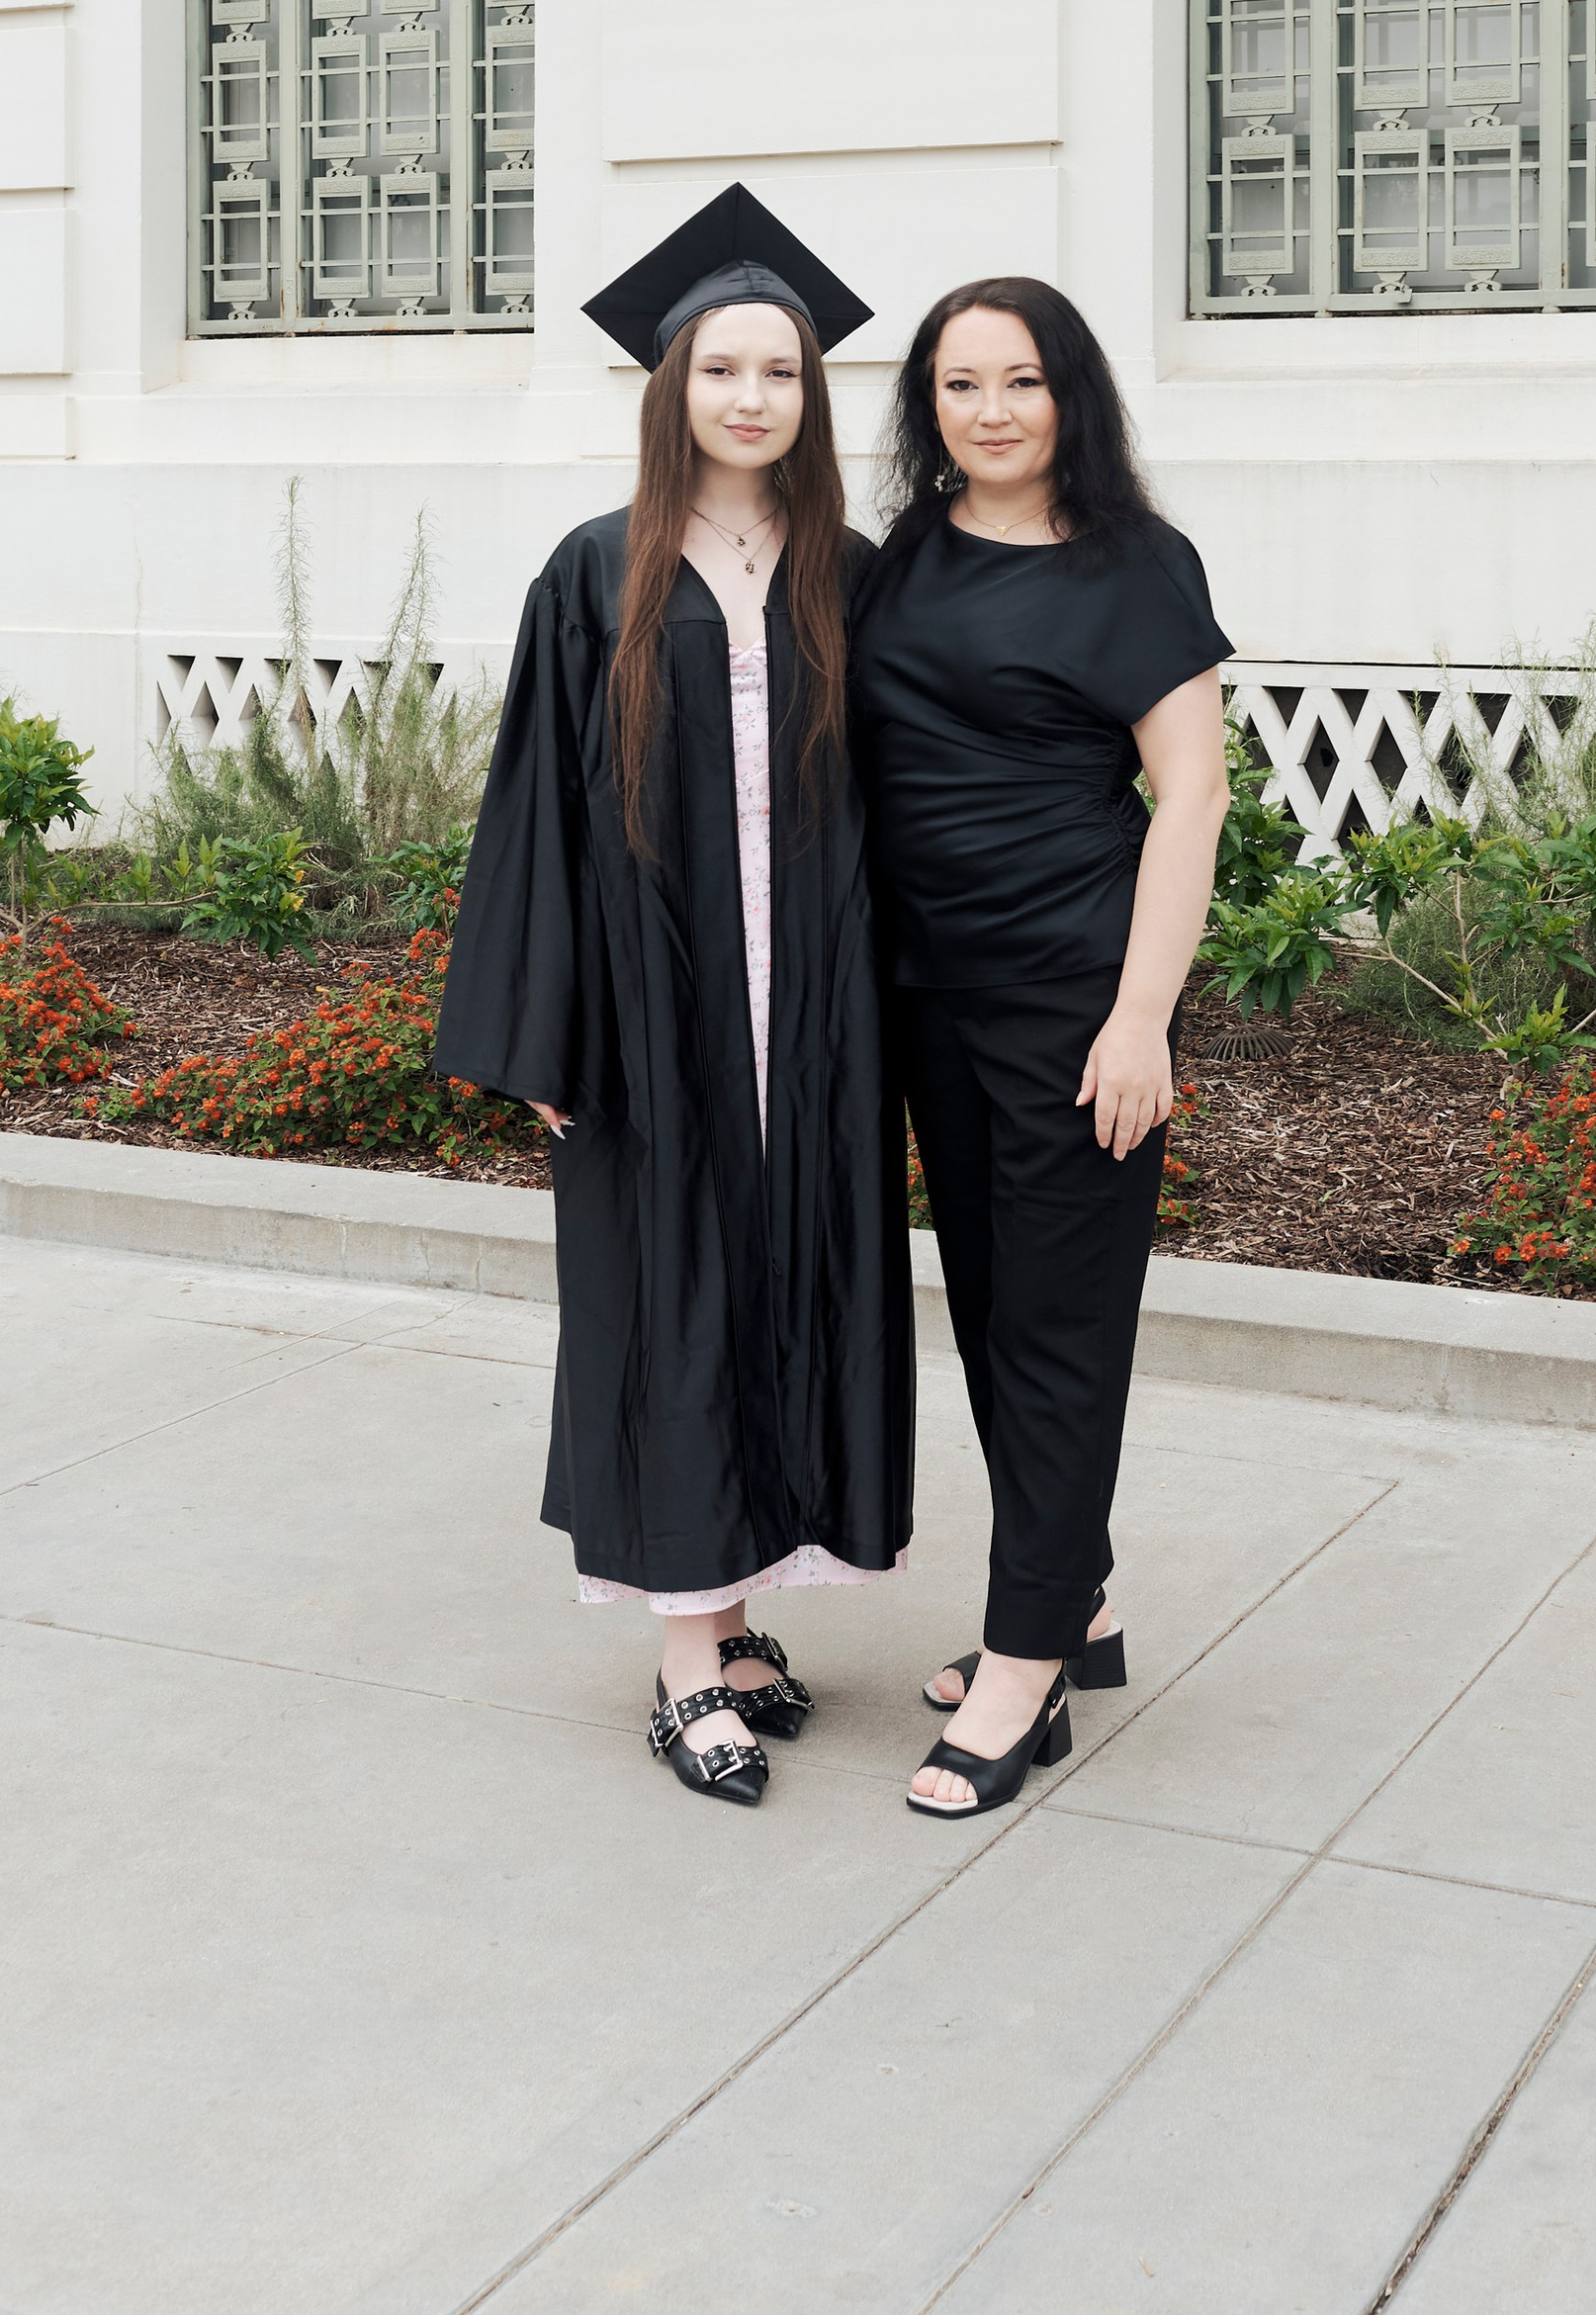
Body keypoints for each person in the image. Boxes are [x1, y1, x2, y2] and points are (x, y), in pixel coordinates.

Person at [434, 185, 914, 1812]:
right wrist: (549, 1033)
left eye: (779, 373)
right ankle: (684, 1663)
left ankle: (746, 1605)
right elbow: (536, 819)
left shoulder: (850, 568)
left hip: (823, 1024)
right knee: (672, 1301)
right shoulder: (595, 574)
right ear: (672, 386)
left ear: (810, 396)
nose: (752, 398)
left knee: (790, 1289)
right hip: (654, 1023)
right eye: (723, 370)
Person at [851, 277, 1231, 1821]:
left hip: (1079, 1002)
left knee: (1064, 1333)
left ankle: (1025, 1667)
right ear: (925, 405)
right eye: (959, 384)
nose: (990, 410)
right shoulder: (902, 561)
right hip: (927, 994)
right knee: (997, 1318)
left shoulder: (1139, 568)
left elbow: (1191, 802)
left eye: (1020, 380)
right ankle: (1076, 1600)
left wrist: (1142, 1016)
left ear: (1072, 395)